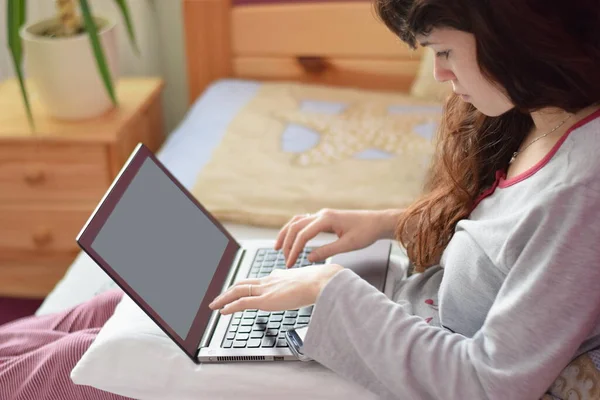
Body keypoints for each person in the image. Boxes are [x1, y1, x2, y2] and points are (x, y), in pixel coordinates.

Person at [1, 0, 599, 399]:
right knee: (116, 302)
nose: (440, 76)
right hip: (397, 308)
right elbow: (505, 242)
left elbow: (489, 384)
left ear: (513, 35)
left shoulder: (582, 192)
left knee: (70, 362)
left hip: (396, 356)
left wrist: (327, 294)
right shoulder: (540, 118)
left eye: (443, 50)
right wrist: (390, 224)